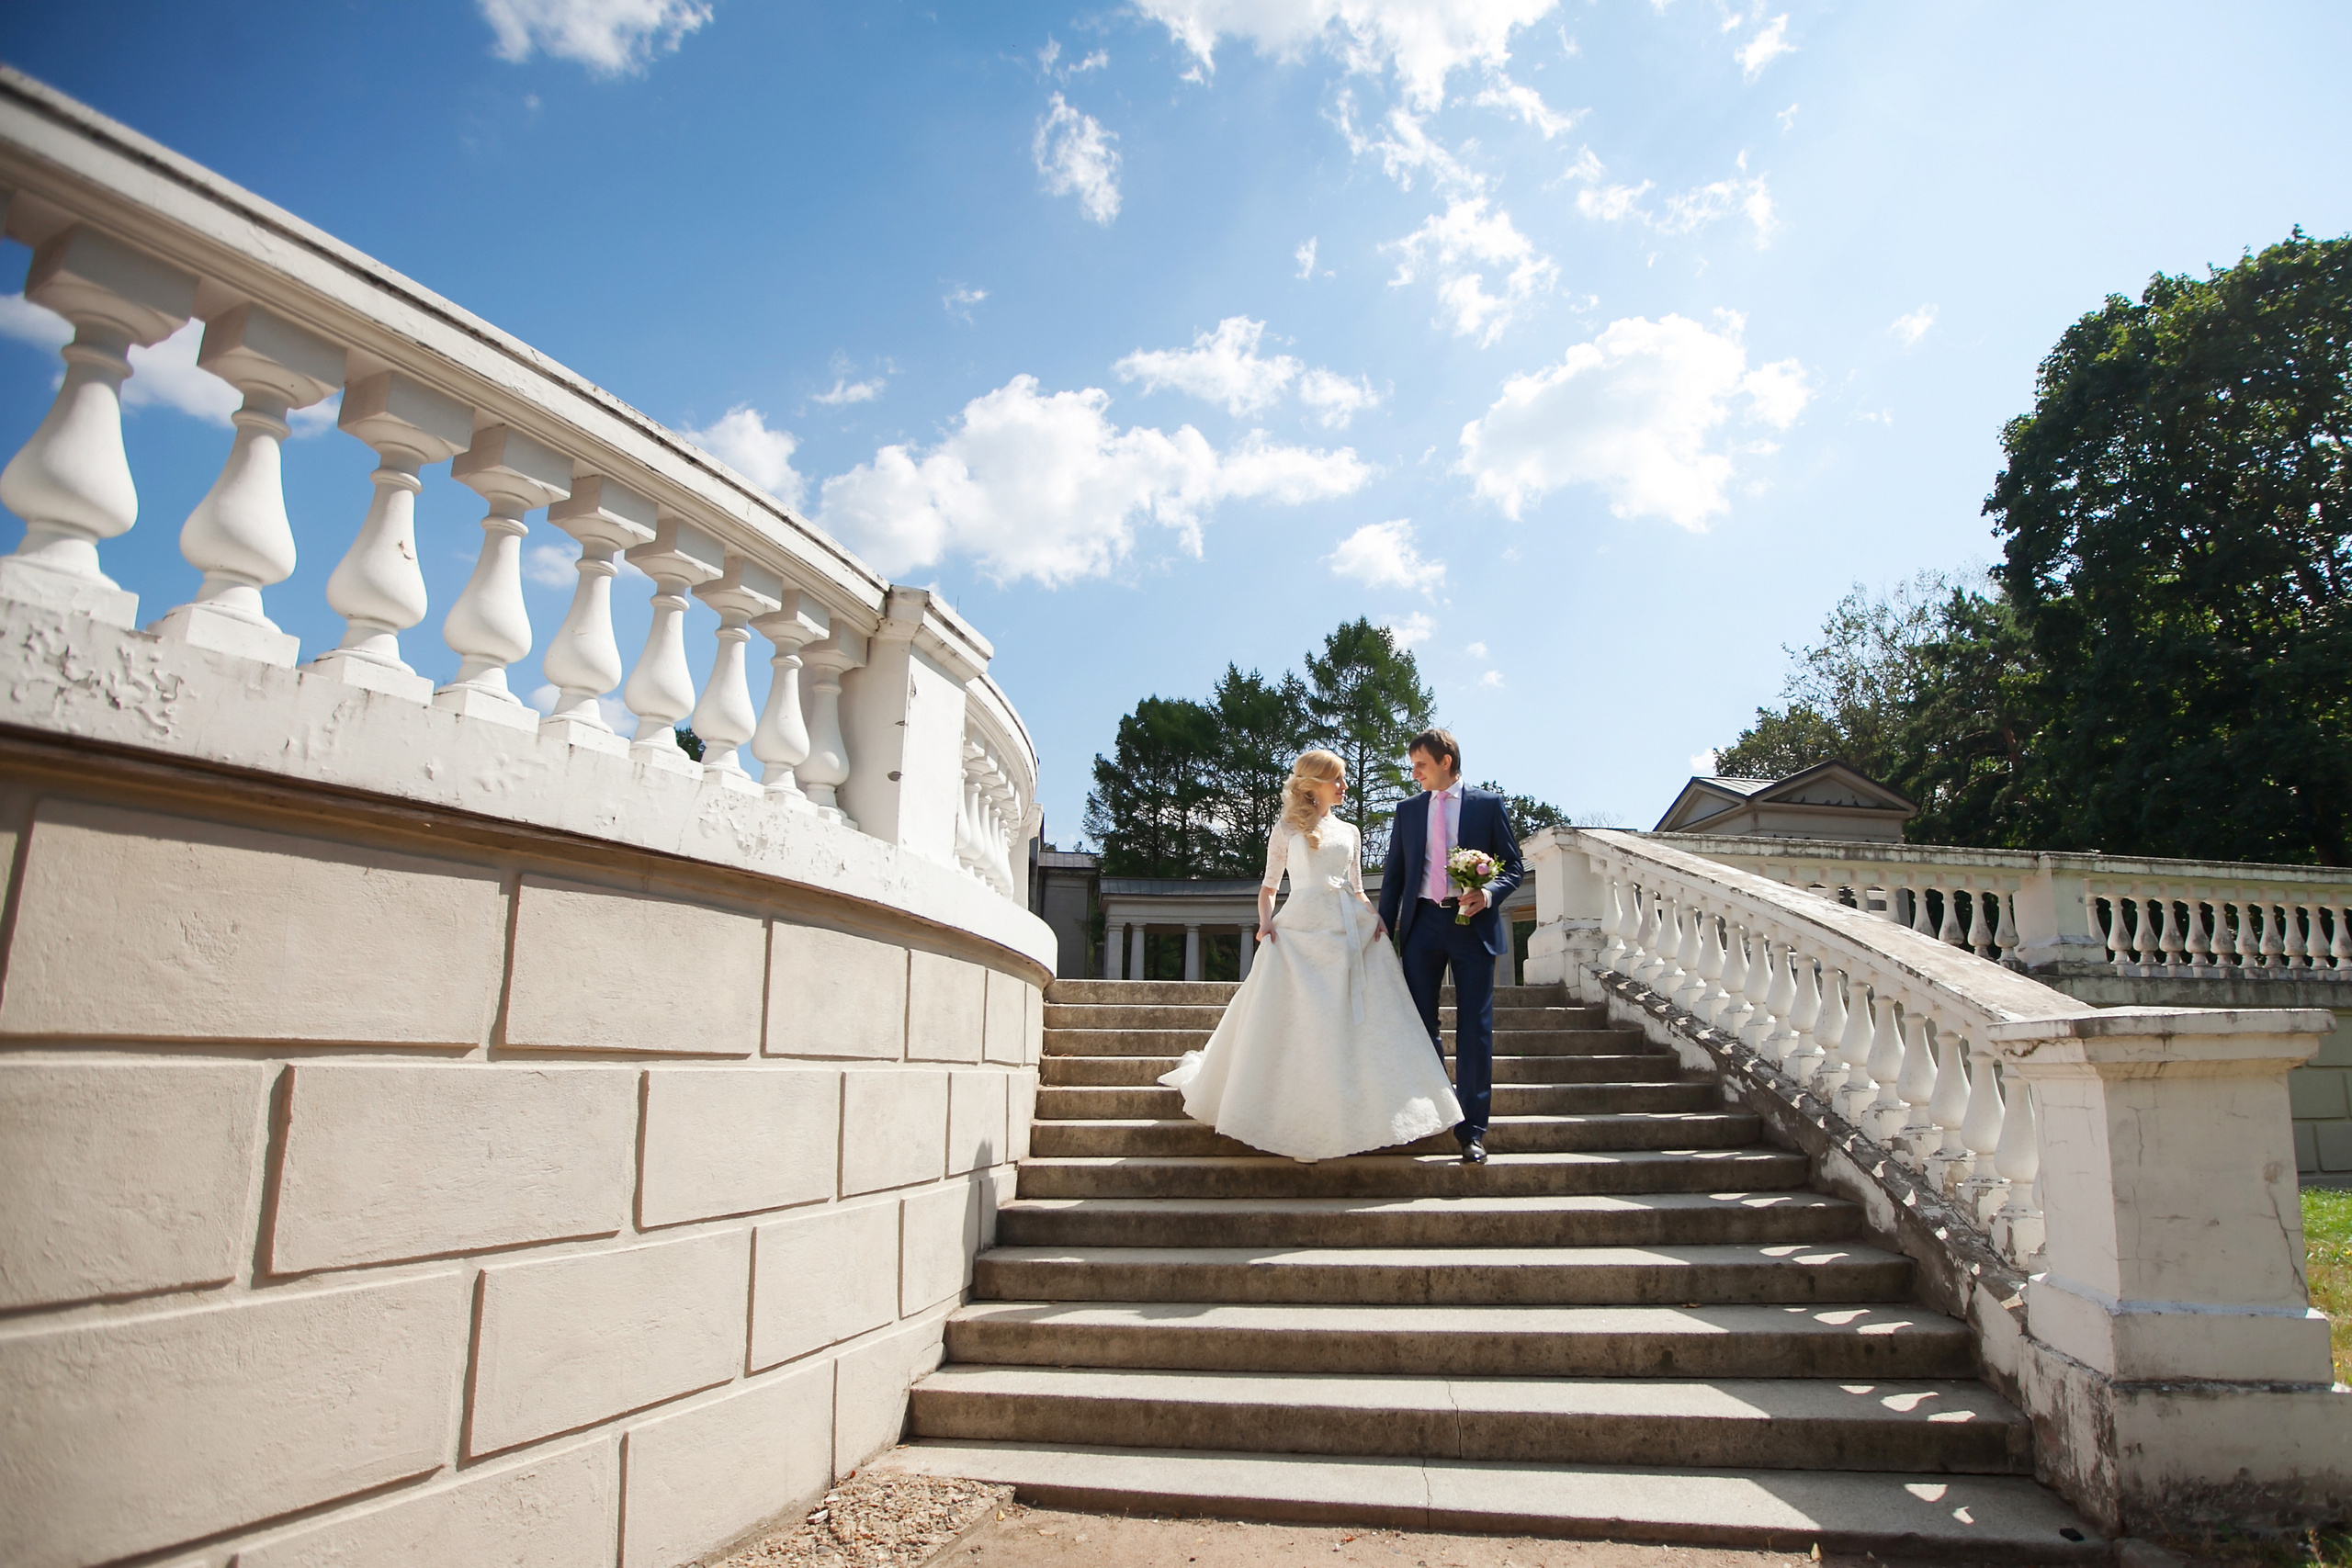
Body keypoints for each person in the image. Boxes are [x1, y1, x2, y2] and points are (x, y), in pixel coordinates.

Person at [1158, 750, 1463, 1163]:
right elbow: (1268, 888)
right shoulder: (1285, 828)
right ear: (1315, 781)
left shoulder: (1351, 831)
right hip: (1299, 931)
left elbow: (1356, 887)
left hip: (1349, 929)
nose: (1344, 787)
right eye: (1337, 780)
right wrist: (1266, 924)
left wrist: (1377, 920)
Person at [1377, 728, 1524, 1166]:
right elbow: (1395, 874)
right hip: (1422, 926)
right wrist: (1384, 927)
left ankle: (1473, 1131)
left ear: (1445, 761)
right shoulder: (1407, 811)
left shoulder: (1488, 804)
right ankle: (1436, 1110)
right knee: (1421, 1025)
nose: (1414, 773)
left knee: (1474, 1029)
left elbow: (1514, 866)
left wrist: (1489, 892)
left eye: (1420, 764)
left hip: (1473, 926)